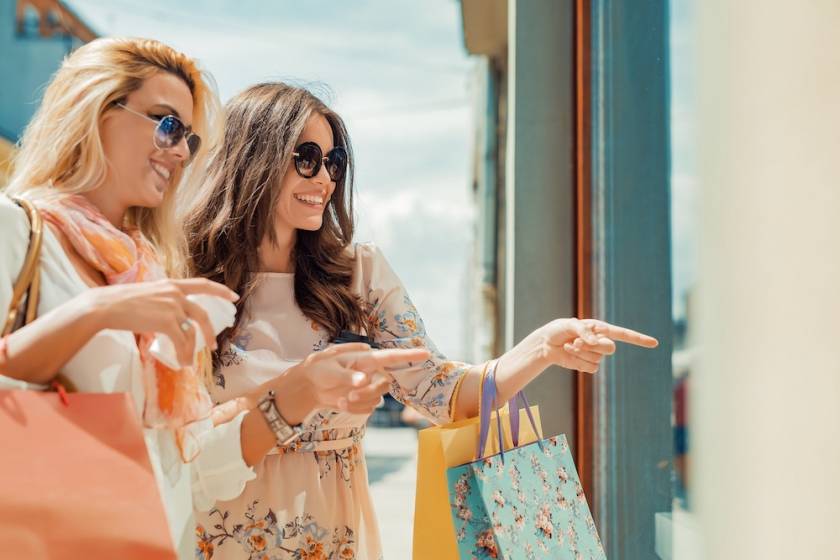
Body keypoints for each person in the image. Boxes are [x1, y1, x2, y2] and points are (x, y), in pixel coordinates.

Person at [184, 81, 659, 560]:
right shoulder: (186, 276)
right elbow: (180, 444)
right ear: (254, 157)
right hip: (216, 533)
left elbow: (441, 393)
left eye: (334, 162)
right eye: (306, 157)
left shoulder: (359, 275)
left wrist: (540, 348)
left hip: (329, 540)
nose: (325, 178)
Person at [0, 39, 425, 558]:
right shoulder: (16, 229)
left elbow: (191, 463)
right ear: (95, 108)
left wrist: (302, 391)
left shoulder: (150, 269)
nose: (179, 151)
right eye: (166, 124)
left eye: (189, 138)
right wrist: (97, 312)